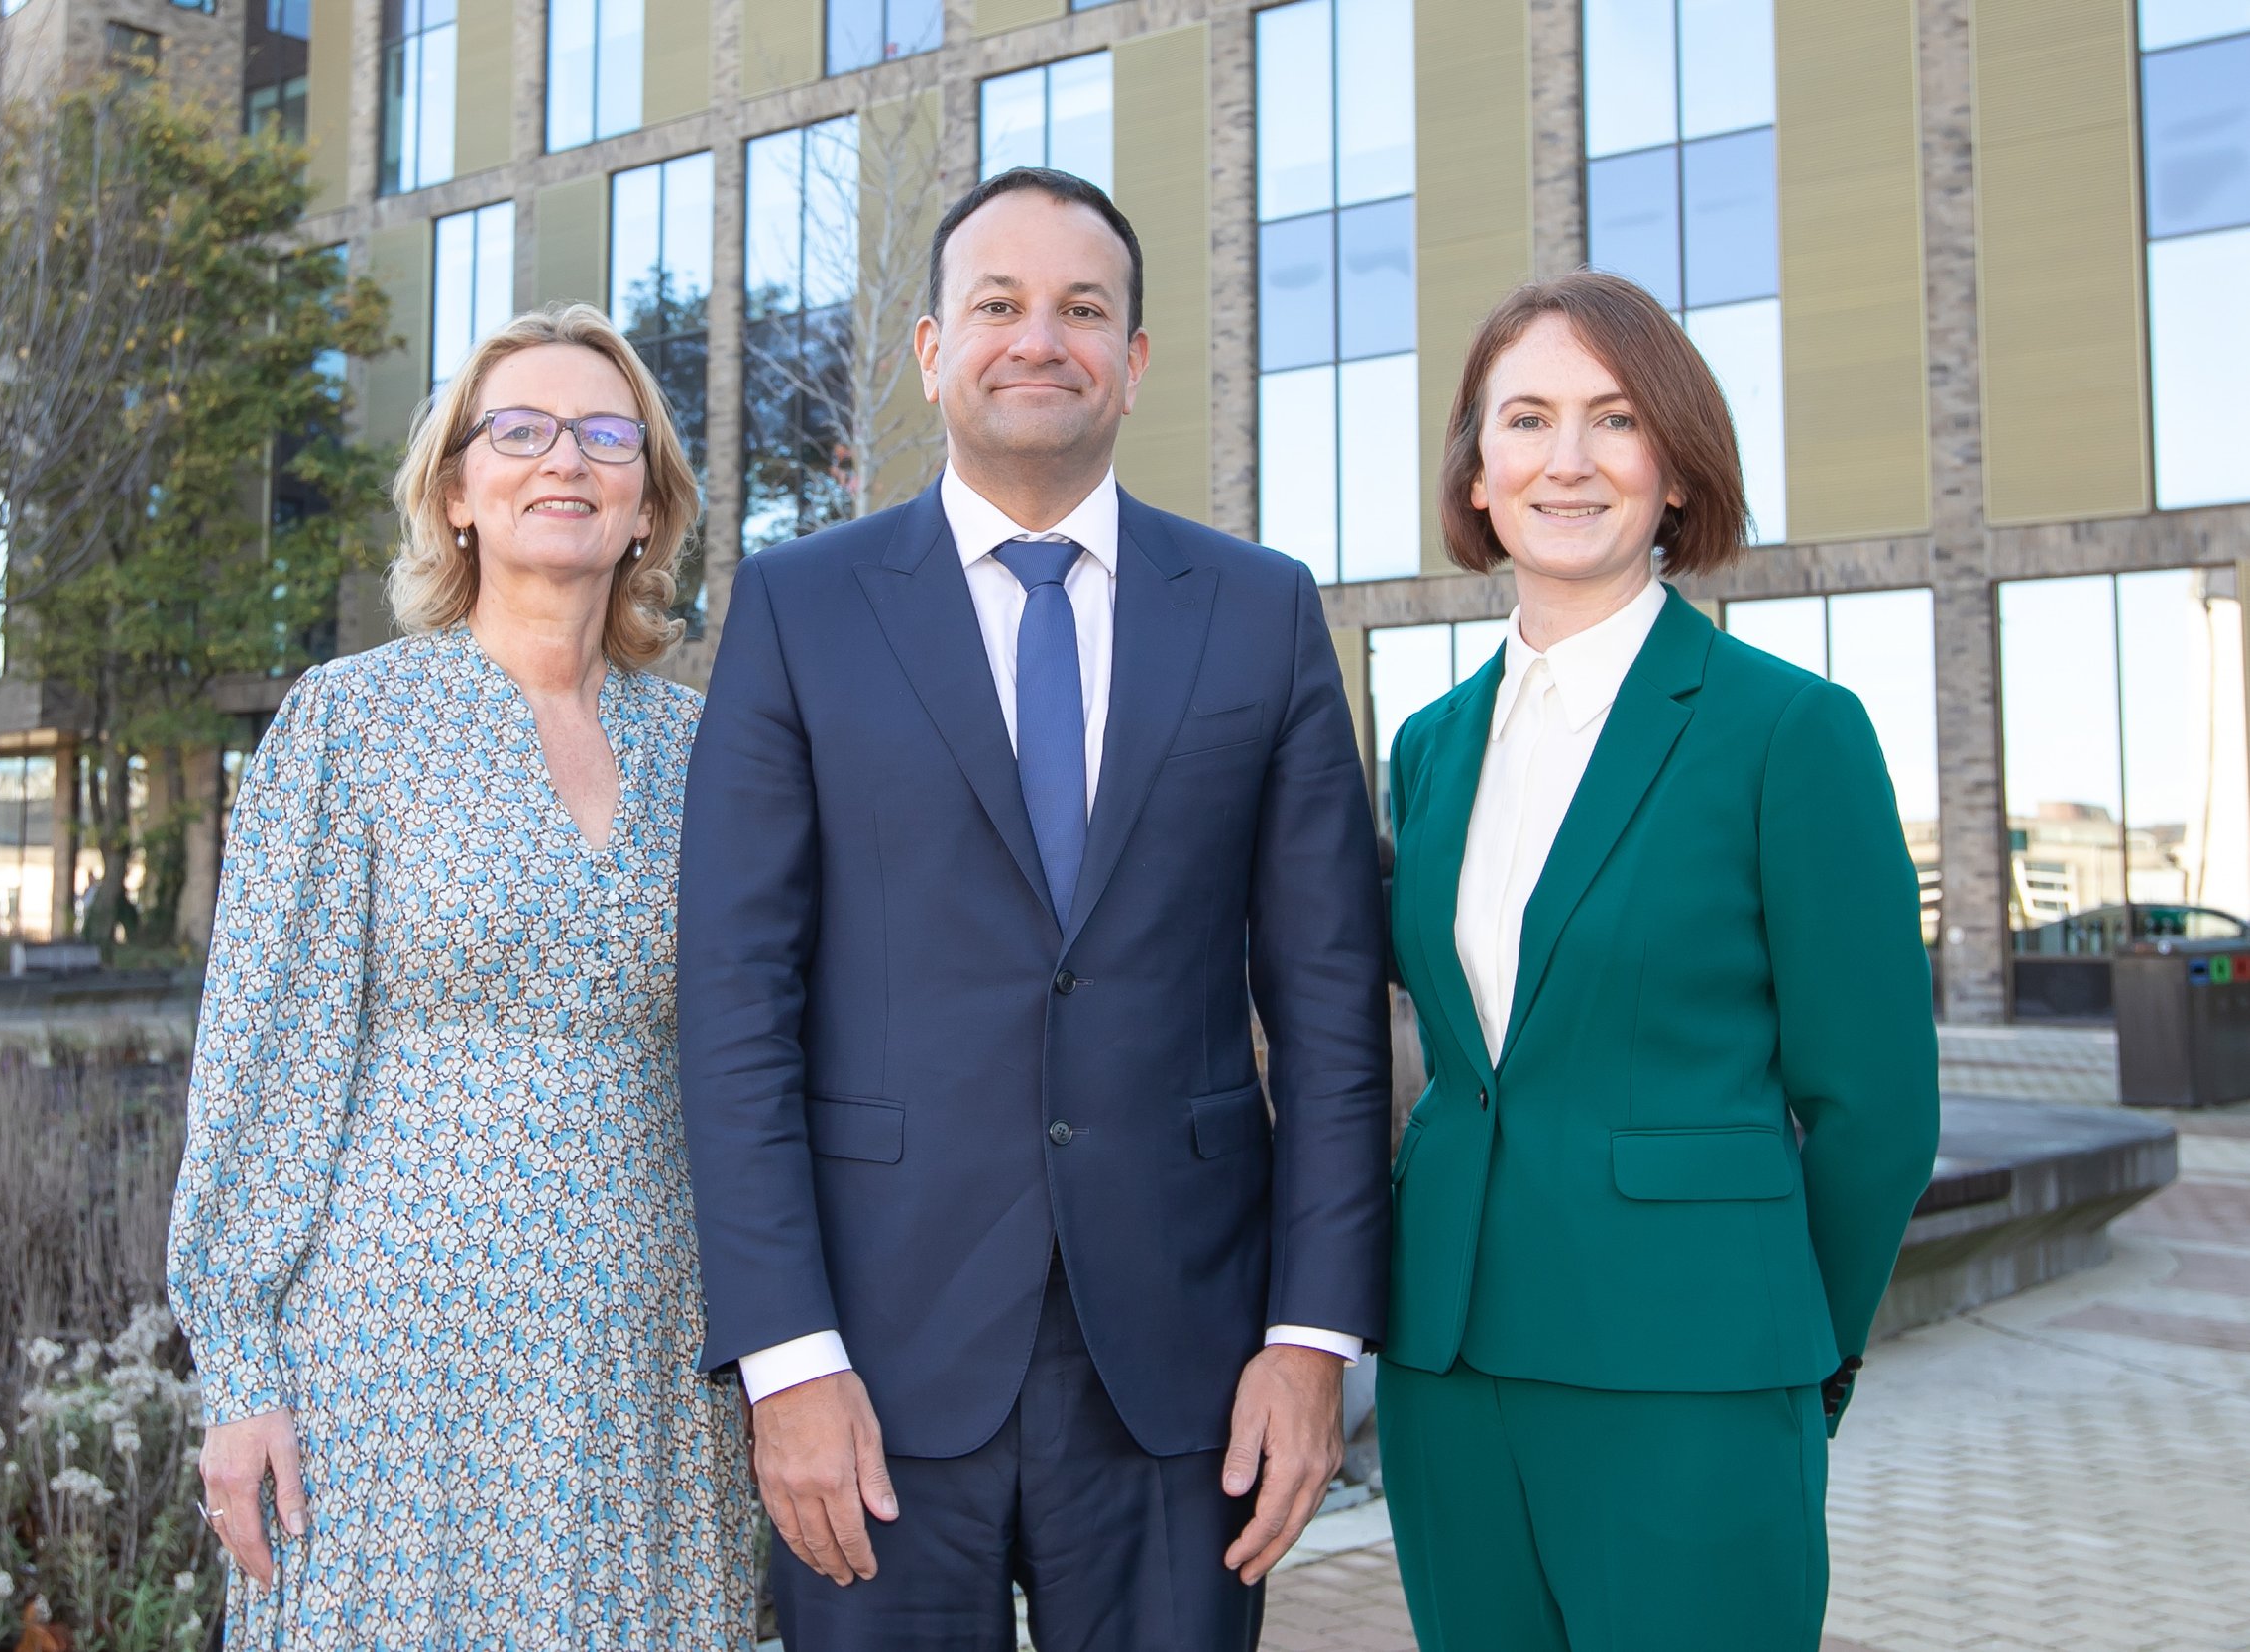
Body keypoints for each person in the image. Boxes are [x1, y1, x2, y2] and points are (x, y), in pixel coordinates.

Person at [678, 167, 1391, 1652]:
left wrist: (1312, 1340)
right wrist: (783, 1355)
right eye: (997, 304)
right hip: (872, 1362)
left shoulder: (1260, 609)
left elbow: (1329, 1006)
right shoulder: (800, 608)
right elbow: (734, 999)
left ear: (1133, 360)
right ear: (933, 349)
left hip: (1186, 1369)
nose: (1038, 338)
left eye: (1083, 308)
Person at [166, 304, 751, 1647]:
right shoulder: (350, 725)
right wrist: (241, 1371)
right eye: (523, 430)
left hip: (649, 1376)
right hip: (391, 1385)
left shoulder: (716, 750)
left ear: (650, 503)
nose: (567, 461)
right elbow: (264, 1060)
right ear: (456, 491)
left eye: (609, 436)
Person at [1374, 270, 1941, 1652]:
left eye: (1614, 421)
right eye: (1526, 420)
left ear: (1675, 473)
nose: (1566, 460)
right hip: (1445, 1368)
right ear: (1479, 472)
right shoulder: (1429, 748)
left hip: (1691, 1366)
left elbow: (1875, 1108)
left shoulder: (1788, 732)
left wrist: (1804, 1341)